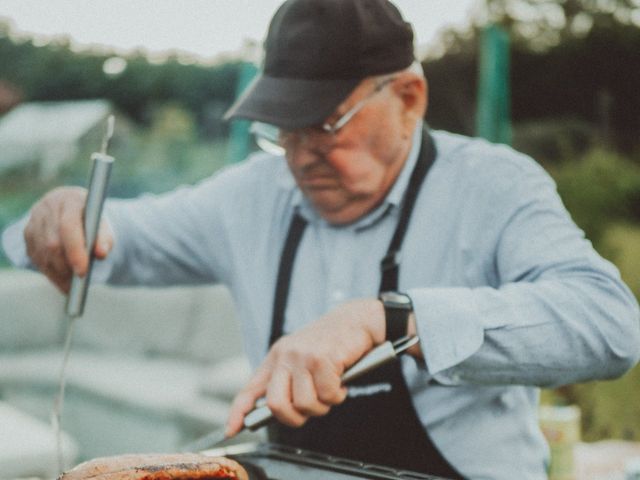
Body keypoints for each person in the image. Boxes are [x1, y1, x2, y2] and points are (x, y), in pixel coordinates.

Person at [3, 0, 640, 478]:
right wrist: (62, 216)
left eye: (325, 124)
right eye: (284, 129)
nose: (301, 154)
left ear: (410, 96)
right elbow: (114, 234)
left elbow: (610, 326)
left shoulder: (493, 185)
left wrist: (387, 320)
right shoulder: (252, 194)